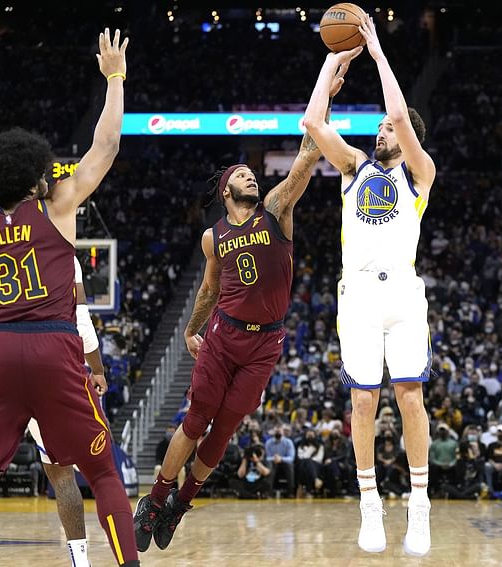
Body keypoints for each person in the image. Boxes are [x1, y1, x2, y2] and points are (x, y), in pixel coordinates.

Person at [0, 29, 138, 567]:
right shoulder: (58, 207)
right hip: (52, 347)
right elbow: (105, 145)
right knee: (103, 471)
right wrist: (114, 77)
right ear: (36, 175)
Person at [132, 56, 356, 553]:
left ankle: (179, 505)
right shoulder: (213, 236)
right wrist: (192, 328)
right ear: (225, 189)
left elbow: (304, 158)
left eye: (253, 174)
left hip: (266, 342)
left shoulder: (276, 210)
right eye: (243, 174)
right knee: (195, 420)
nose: (252, 177)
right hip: (223, 334)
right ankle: (153, 501)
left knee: (224, 430)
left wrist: (327, 101)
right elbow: (209, 290)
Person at [303, 15, 436, 556]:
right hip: (357, 295)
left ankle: (420, 505)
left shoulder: (419, 173)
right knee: (362, 403)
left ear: (404, 141)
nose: (381, 129)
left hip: (403, 295)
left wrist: (378, 53)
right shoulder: (356, 167)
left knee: (410, 397)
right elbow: (314, 122)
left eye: (387, 129)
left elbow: (401, 113)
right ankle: (370, 502)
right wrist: (335, 60)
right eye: (379, 127)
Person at [0, 256, 107, 567]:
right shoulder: (58, 249)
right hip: (48, 365)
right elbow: (82, 324)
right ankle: (81, 561)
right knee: (60, 473)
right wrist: (97, 369)